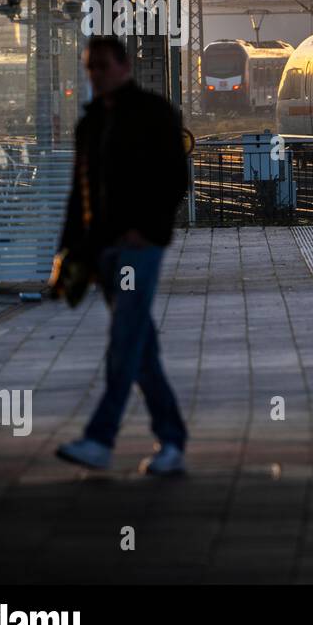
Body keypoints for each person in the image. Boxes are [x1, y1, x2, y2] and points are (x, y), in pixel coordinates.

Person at [53, 36, 190, 475]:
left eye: (102, 67)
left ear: (124, 66)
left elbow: (173, 180)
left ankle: (100, 439)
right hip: (103, 248)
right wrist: (71, 250)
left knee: (125, 340)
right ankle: (171, 441)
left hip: (138, 248)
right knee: (140, 346)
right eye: (90, 67)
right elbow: (82, 194)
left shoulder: (153, 114)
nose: (95, 75)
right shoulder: (90, 123)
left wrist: (146, 231)